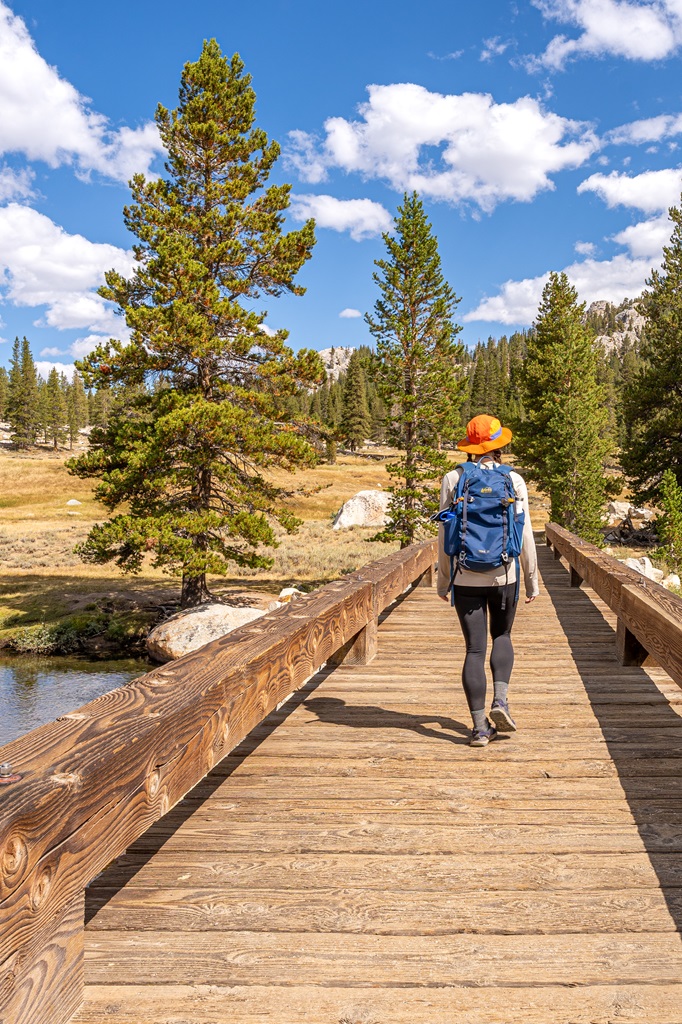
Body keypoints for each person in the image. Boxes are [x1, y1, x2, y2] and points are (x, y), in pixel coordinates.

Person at [437, 414, 539, 747]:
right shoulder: (514, 480)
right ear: (499, 446)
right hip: (504, 574)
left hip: (465, 574)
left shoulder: (453, 478)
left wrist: (443, 582)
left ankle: (480, 728)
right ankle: (501, 701)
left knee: (474, 649)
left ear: (469, 446)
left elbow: (444, 535)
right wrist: (532, 578)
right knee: (503, 634)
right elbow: (524, 534)